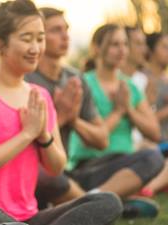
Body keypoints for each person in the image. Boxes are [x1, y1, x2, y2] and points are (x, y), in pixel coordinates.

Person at [0, 1, 122, 225]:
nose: (36, 48)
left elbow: (57, 166)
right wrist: (26, 134)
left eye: (40, 39)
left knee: (108, 202)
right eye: (26, 39)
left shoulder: (39, 96)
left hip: (30, 216)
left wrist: (43, 136)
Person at [68, 23, 164, 218]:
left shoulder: (129, 87)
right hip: (90, 165)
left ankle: (100, 200)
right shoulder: (83, 83)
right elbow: (93, 138)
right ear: (97, 48)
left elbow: (155, 133)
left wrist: (129, 108)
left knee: (153, 156)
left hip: (124, 166)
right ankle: (100, 200)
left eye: (124, 44)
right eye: (114, 44)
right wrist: (119, 111)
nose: (122, 50)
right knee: (150, 157)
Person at [25, 7, 108, 209]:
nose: (65, 36)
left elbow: (102, 140)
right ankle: (95, 205)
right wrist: (59, 117)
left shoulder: (75, 79)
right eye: (56, 30)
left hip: (68, 170)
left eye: (67, 29)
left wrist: (74, 120)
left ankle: (86, 199)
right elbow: (23, 147)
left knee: (148, 158)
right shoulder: (25, 80)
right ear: (39, 37)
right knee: (48, 176)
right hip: (36, 173)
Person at [140, 32, 168, 195]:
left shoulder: (166, 80)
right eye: (164, 47)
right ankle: (149, 189)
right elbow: (144, 122)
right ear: (150, 51)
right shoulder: (142, 79)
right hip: (152, 143)